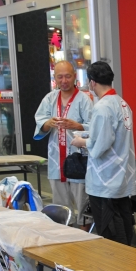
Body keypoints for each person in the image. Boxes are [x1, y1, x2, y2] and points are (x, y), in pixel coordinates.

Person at [70, 62, 136, 245]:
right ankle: (126, 263)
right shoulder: (122, 103)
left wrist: (81, 142)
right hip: (120, 174)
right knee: (123, 221)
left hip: (105, 178)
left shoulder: (102, 107)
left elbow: (100, 146)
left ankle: (117, 268)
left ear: (92, 83)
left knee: (111, 230)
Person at [35, 60, 92, 221]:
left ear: (74, 76)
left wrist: (78, 125)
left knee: (82, 201)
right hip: (55, 158)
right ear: (55, 78)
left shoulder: (84, 99)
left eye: (68, 76)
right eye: (60, 77)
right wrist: (48, 123)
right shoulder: (50, 98)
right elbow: (40, 123)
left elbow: (94, 125)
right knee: (60, 204)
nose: (64, 81)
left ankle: (84, 230)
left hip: (77, 157)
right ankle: (63, 230)